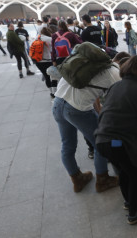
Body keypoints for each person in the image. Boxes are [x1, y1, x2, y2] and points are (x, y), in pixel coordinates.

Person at [96, 55, 137, 225]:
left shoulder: (115, 86)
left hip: (102, 140)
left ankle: (128, 202)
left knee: (124, 171)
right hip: (118, 142)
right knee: (133, 172)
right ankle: (134, 213)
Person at [52, 45, 120, 193]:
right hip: (77, 110)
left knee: (67, 145)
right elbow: (121, 100)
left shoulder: (82, 64)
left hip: (58, 103)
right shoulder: (114, 72)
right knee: (101, 143)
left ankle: (77, 179)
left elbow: (92, 92)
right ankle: (102, 180)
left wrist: (98, 111)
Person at [35, 27, 57, 98]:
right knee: (53, 76)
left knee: (46, 76)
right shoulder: (49, 39)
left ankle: (51, 92)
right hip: (48, 61)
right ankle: (55, 92)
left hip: (38, 61)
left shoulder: (36, 38)